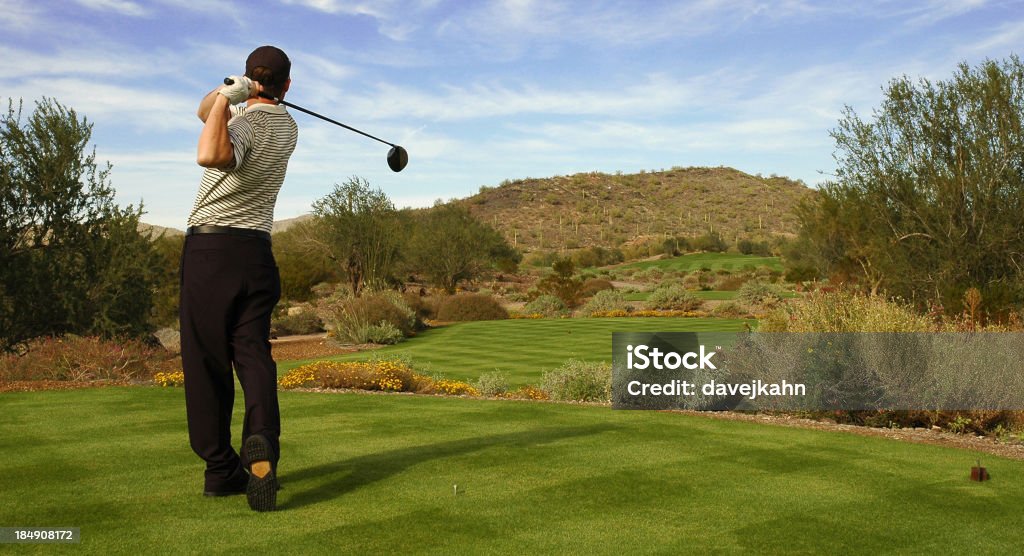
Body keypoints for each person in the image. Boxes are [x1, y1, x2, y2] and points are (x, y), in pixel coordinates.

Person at [179, 45, 298, 512]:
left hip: (212, 252)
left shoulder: (246, 124)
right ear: (287, 86)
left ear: (252, 79)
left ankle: (221, 469)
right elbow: (202, 109)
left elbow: (210, 153)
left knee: (207, 361)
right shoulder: (287, 126)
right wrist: (228, 95)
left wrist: (232, 100)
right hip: (256, 254)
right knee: (252, 354)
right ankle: (263, 442)